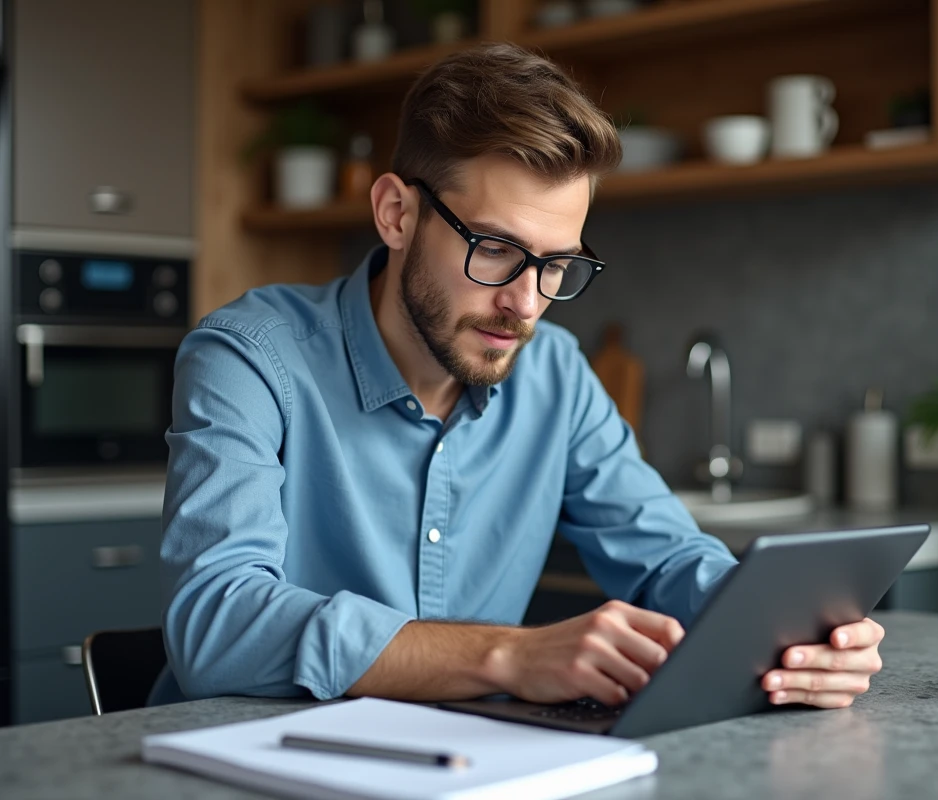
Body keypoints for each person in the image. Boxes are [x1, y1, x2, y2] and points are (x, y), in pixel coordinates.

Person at [149, 43, 884, 711]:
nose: (526, 304)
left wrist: (790, 630)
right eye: (496, 249)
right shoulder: (249, 358)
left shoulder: (556, 373)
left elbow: (668, 558)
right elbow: (216, 624)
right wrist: (508, 654)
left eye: (556, 264)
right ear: (397, 214)